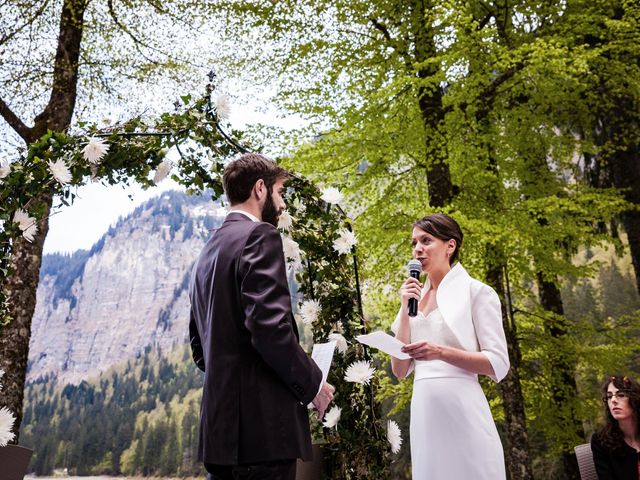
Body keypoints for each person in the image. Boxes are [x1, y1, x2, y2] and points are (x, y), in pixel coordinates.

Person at [189, 153, 334, 480]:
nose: (282, 205)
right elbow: (270, 331)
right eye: (279, 192)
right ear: (259, 189)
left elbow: (201, 349)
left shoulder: (207, 252)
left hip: (220, 436)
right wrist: (314, 386)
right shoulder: (259, 237)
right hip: (262, 437)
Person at [390, 213, 510, 480]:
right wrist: (403, 307)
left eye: (426, 240)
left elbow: (498, 363)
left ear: (450, 245)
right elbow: (398, 370)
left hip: (463, 405)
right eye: (414, 243)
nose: (417, 249)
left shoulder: (477, 292)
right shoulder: (412, 298)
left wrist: (440, 352)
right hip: (424, 410)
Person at [591, 375, 640, 479]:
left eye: (621, 395)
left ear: (635, 400)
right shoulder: (600, 441)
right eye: (609, 396)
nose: (613, 400)